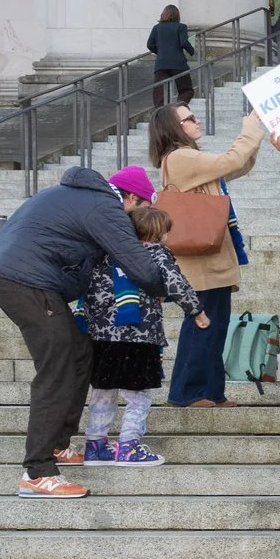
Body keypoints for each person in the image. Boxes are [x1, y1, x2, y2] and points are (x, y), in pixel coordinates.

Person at [0, 165, 179, 496]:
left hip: (19, 277)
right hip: (27, 282)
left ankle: (59, 444)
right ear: (132, 198)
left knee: (79, 353)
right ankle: (38, 472)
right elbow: (136, 259)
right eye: (144, 210)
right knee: (57, 367)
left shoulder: (76, 197)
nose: (140, 222)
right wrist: (165, 288)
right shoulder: (107, 207)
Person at [149, 100, 266, 408]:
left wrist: (254, 138)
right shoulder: (180, 157)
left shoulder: (189, 157)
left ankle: (212, 391)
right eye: (188, 119)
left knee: (214, 327)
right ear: (174, 128)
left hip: (210, 259)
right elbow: (230, 160)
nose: (194, 122)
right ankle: (188, 392)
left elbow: (237, 165)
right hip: (200, 260)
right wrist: (249, 130)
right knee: (201, 325)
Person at [76, 195, 206, 466]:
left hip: (103, 338)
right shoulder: (156, 253)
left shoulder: (107, 255)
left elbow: (94, 294)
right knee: (139, 396)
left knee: (103, 390)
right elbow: (175, 282)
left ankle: (95, 446)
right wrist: (196, 310)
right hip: (139, 336)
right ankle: (128, 447)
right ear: (159, 232)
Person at [146, 4, 194, 106]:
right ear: (177, 15)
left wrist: (160, 52)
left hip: (162, 64)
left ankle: (162, 115)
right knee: (187, 90)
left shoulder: (157, 28)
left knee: (160, 96)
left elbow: (150, 44)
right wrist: (192, 51)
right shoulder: (181, 27)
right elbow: (184, 42)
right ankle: (178, 107)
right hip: (178, 63)